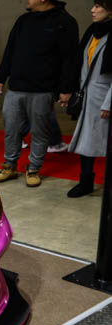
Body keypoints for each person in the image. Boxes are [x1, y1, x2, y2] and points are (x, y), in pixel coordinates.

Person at [0, 0, 79, 188]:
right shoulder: (23, 20)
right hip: (16, 87)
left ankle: (33, 169)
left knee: (40, 131)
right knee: (11, 129)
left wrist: (66, 89)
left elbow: (70, 59)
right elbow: (10, 50)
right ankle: (9, 166)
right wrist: (0, 77)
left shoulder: (65, 22)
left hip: (43, 89)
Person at [67, 1, 112, 197]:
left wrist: (108, 103)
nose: (93, 10)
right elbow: (80, 64)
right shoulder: (92, 32)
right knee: (86, 143)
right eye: (93, 5)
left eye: (98, 6)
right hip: (89, 97)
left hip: (104, 98)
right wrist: (71, 90)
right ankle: (85, 182)